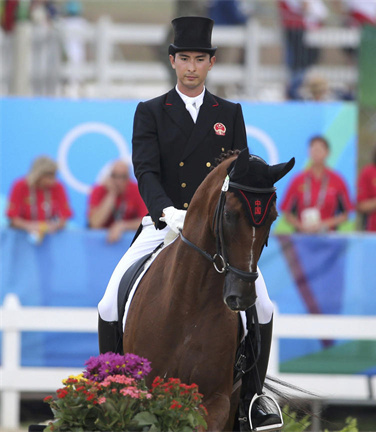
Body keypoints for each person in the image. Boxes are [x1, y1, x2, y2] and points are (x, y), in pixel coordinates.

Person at [96, 17, 282, 429]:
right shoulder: (150, 112)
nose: (192, 67)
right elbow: (145, 171)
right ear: (173, 61)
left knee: (264, 306)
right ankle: (111, 392)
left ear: (211, 63)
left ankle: (253, 400)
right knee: (109, 301)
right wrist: (167, 212)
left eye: (200, 59)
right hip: (163, 224)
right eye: (185, 59)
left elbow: (242, 175)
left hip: (216, 233)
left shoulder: (229, 113)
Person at [281, 135, 352, 232]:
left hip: (328, 236)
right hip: (303, 237)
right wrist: (301, 226)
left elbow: (346, 214)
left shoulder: (337, 180)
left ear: (327, 153)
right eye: (313, 149)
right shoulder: (298, 179)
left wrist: (326, 224)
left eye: (320, 150)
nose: (316, 153)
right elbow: (287, 213)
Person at [6, 155, 72, 243]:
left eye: (54, 176)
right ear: (38, 175)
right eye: (49, 177)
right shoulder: (20, 186)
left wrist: (54, 226)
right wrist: (30, 226)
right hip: (21, 238)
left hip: (50, 239)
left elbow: (64, 217)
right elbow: (13, 218)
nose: (53, 181)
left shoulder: (58, 187)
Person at [87, 160, 147, 243]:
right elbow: (94, 224)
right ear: (109, 176)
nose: (119, 181)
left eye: (123, 177)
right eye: (114, 176)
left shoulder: (137, 190)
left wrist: (123, 226)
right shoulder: (98, 190)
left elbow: (147, 221)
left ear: (128, 178)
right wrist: (111, 194)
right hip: (101, 243)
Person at [278, 0, 326, 100]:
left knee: (303, 64)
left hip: (304, 32)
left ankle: (294, 90)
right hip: (295, 31)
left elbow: (321, 13)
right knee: (296, 65)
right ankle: (292, 91)